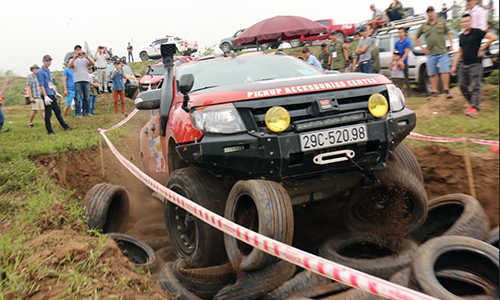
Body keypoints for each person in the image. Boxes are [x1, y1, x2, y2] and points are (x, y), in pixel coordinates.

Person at [451, 14, 497, 117]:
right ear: (461, 24)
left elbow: (493, 37)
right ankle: (473, 104)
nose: (465, 23)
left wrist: (482, 49)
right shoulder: (461, 36)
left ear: (471, 22)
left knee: (475, 86)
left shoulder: (477, 32)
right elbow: (460, 51)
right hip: (464, 64)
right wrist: (454, 66)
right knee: (462, 85)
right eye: (463, 22)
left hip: (475, 64)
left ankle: (475, 108)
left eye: (467, 21)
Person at [415, 6, 454, 99]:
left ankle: (446, 90)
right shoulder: (424, 25)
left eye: (431, 11)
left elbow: (449, 33)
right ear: (427, 14)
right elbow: (416, 37)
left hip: (442, 51)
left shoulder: (441, 22)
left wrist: (451, 44)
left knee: (444, 70)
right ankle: (434, 91)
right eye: (428, 12)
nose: (430, 14)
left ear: (435, 13)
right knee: (432, 73)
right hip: (431, 53)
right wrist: (422, 48)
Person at [37, 55, 74, 134]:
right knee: (48, 113)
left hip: (51, 93)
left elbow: (49, 83)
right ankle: (49, 130)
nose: (48, 63)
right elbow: (41, 85)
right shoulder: (40, 72)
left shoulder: (48, 71)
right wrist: (45, 96)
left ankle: (65, 126)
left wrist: (55, 92)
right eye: (47, 61)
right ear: (43, 61)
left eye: (49, 61)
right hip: (46, 94)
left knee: (57, 111)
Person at [68, 45, 95, 117]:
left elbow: (93, 64)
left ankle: (87, 112)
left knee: (87, 97)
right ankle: (77, 113)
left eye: (79, 49)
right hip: (77, 80)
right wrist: (74, 57)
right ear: (74, 51)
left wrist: (87, 57)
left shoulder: (85, 59)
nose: (78, 51)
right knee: (78, 98)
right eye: (76, 50)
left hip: (86, 80)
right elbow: (69, 66)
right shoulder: (72, 60)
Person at [394, 28, 412, 96]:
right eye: (398, 32)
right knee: (398, 79)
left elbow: (406, 52)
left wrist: (401, 60)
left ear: (404, 33)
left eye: (401, 32)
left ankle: (409, 93)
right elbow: (395, 52)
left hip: (404, 62)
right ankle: (400, 92)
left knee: (406, 78)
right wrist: (395, 59)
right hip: (398, 62)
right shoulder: (396, 43)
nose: (399, 34)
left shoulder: (407, 42)